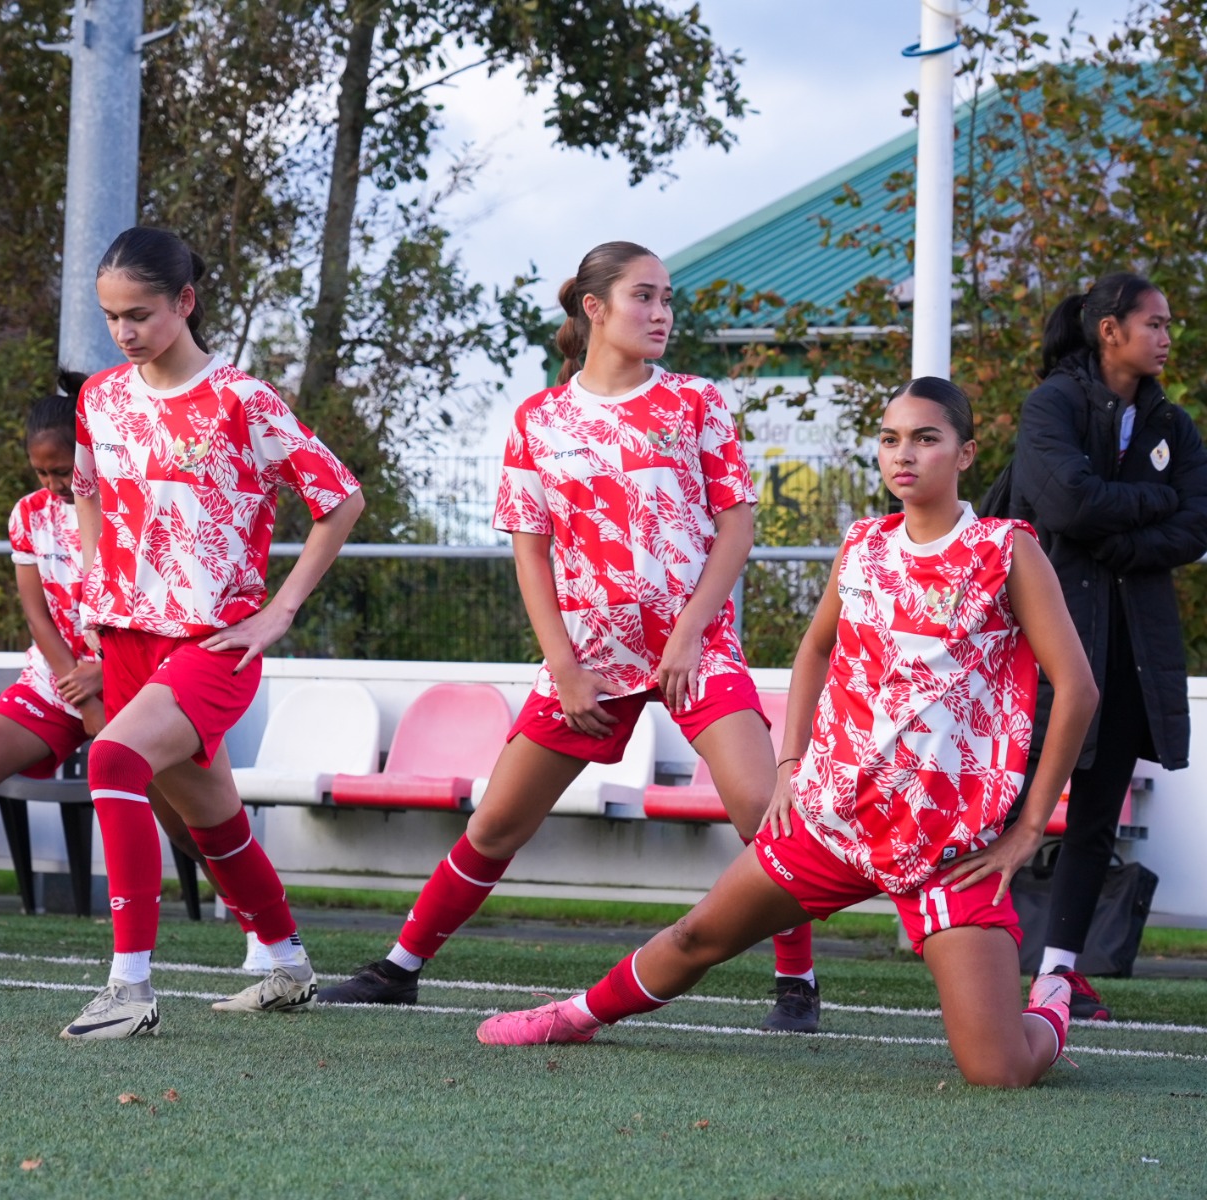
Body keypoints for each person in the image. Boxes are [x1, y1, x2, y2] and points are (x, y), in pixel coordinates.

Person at [476, 378, 1098, 1090]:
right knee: (696, 935)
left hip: (945, 846)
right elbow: (813, 650)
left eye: (927, 439)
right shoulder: (863, 544)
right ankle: (573, 1015)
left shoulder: (1004, 551)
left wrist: (1025, 832)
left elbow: (1077, 687)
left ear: (965, 454)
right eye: (891, 439)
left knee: (999, 1072)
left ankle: (1051, 1007)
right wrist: (790, 766)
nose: (905, 455)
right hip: (834, 819)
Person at [318, 241, 823, 1032]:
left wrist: (690, 635)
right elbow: (531, 549)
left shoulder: (696, 402)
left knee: (764, 810)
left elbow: (736, 528)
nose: (661, 314)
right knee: (496, 824)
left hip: (695, 649)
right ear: (594, 308)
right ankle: (398, 969)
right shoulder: (538, 420)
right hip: (585, 659)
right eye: (643, 297)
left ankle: (797, 984)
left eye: (666, 299)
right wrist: (564, 666)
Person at [59, 226, 364, 1039]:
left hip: (214, 644)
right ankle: (288, 963)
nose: (124, 332)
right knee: (213, 821)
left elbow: (341, 500)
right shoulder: (100, 398)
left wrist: (280, 610)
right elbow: (86, 490)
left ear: (185, 302)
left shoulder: (244, 400)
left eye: (140, 314)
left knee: (114, 761)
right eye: (111, 317)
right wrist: (98, 581)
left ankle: (129, 988)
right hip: (123, 638)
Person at [0, 378, 270, 970]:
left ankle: (261, 935)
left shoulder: (123, 505)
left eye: (63, 469)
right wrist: (75, 682)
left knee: (190, 824)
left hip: (133, 678)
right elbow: (36, 613)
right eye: (42, 473)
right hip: (57, 680)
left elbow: (148, 602)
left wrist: (103, 678)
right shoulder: (28, 517)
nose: (54, 484)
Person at [1004, 272, 1207, 1021]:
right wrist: (1152, 509)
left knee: (1096, 817)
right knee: (1004, 801)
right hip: (1048, 643)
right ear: (1110, 330)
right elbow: (1065, 503)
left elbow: (1198, 522)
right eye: (1154, 322)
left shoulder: (1172, 424)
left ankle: (1058, 971)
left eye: (1168, 324)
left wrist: (1124, 540)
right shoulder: (1052, 404)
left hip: (1131, 649)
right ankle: (978, 946)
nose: (1166, 336)